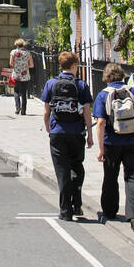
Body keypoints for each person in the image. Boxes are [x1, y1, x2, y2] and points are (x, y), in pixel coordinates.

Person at [93, 63, 134, 230]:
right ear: (122, 75)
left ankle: (110, 211)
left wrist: (101, 148)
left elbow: (101, 123)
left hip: (112, 141)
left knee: (111, 175)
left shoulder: (103, 95)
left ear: (106, 77)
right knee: (133, 175)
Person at [41, 50, 93, 220]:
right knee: (77, 167)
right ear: (74, 66)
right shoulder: (81, 85)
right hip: (77, 132)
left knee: (62, 171)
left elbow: (46, 111)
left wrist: (48, 127)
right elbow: (86, 111)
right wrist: (90, 133)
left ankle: (65, 211)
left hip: (57, 132)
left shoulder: (50, 83)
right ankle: (77, 204)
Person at [8, 38, 34, 115]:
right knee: (24, 93)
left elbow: (11, 63)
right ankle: (23, 111)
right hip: (25, 75)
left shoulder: (13, 52)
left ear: (16, 45)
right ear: (23, 45)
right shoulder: (28, 53)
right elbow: (32, 65)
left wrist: (17, 65)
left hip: (16, 75)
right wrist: (25, 66)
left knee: (16, 91)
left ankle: (17, 107)